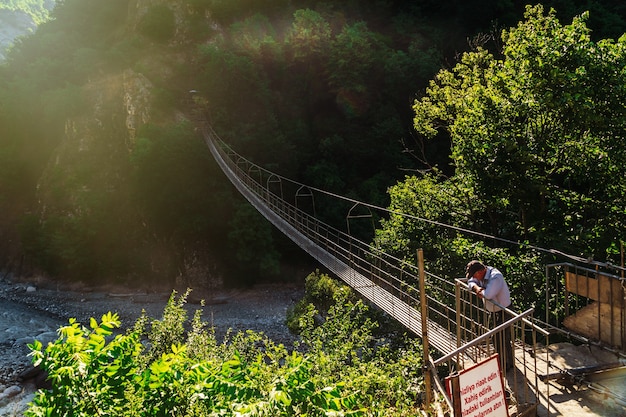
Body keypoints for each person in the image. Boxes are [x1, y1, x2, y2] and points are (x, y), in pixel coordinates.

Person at [465, 260, 514, 370]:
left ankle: (504, 364)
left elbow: (488, 294)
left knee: (498, 337)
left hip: (505, 311)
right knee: (502, 337)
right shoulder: (481, 275)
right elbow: (471, 282)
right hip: (495, 311)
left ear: (481, 271)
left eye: (475, 275)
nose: (475, 278)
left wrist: (480, 292)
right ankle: (508, 362)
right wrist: (477, 288)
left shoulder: (495, 277)